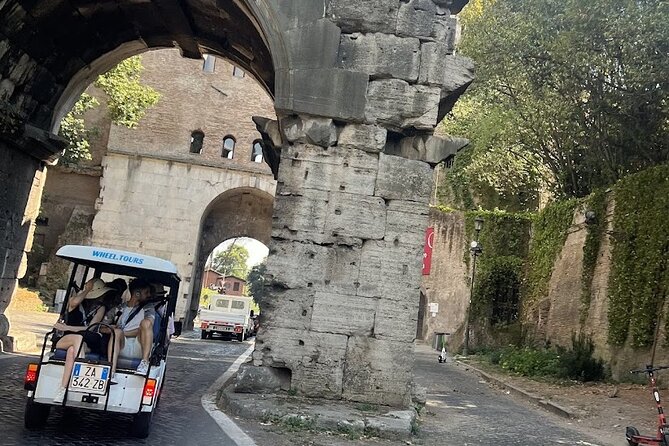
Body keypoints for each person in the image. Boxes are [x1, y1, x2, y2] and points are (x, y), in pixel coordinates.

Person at [52, 278, 115, 403]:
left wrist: (68, 327)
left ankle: (62, 389)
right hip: (66, 338)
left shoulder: (100, 308)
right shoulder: (75, 303)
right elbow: (74, 302)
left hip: (85, 341)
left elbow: (91, 327)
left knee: (71, 351)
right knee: (77, 338)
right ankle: (81, 372)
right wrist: (86, 290)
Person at [115, 278, 155, 374]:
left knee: (145, 323)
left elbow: (148, 326)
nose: (149, 295)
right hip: (120, 343)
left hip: (139, 343)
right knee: (116, 333)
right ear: (137, 294)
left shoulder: (148, 308)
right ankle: (111, 369)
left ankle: (144, 362)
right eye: (146, 292)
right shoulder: (120, 308)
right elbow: (104, 326)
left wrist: (124, 332)